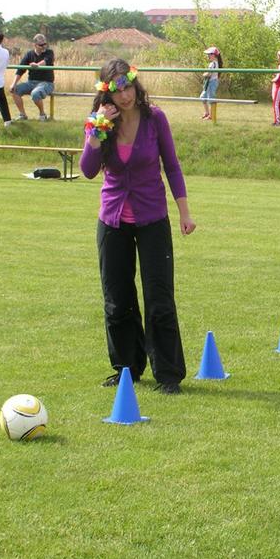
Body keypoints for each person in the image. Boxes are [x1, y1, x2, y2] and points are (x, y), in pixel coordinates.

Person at [79, 59, 197, 395]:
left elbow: (171, 166)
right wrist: (97, 132)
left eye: (128, 87)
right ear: (107, 94)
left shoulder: (155, 118)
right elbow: (88, 170)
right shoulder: (100, 123)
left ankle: (168, 373)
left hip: (152, 218)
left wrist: (184, 213)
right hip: (112, 220)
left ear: (136, 86)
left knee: (159, 297)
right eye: (117, 91)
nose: (125, 96)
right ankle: (126, 368)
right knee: (117, 298)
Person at [9, 34, 55, 122]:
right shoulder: (29, 54)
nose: (44, 46)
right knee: (14, 90)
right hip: (31, 82)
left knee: (35, 93)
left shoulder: (49, 52)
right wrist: (13, 84)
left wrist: (37, 65)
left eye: (45, 44)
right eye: (41, 45)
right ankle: (22, 115)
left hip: (46, 83)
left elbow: (46, 61)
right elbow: (20, 70)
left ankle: (42, 114)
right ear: (35, 45)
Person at [199, 46, 222, 120]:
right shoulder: (213, 63)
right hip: (209, 82)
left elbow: (209, 74)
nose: (208, 56)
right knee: (203, 97)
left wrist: (204, 74)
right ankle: (207, 113)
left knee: (211, 98)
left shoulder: (213, 64)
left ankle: (211, 116)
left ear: (214, 55)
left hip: (212, 82)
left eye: (209, 54)